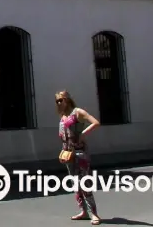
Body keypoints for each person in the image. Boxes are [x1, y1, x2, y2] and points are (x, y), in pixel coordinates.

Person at [56, 91, 101, 225]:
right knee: (75, 183)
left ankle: (94, 214)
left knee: (84, 182)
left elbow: (95, 122)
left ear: (68, 99)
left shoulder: (77, 112)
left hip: (80, 152)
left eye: (61, 100)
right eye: (57, 101)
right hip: (68, 153)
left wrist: (83, 133)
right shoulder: (62, 115)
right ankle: (83, 211)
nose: (59, 103)